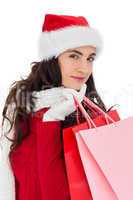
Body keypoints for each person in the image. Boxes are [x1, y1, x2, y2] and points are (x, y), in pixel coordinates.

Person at [0, 13, 110, 200]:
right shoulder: (20, 106)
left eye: (89, 58)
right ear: (52, 57)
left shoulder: (87, 116)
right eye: (74, 56)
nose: (83, 69)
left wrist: (51, 122)